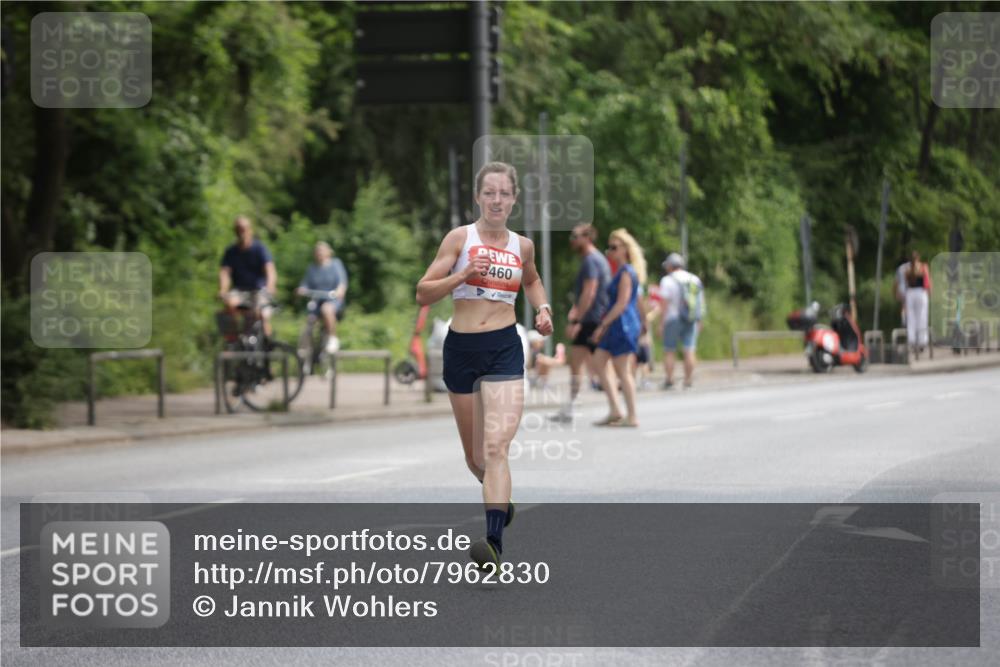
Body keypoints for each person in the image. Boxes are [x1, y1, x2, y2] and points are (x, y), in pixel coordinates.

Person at [416, 161, 553, 570]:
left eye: (503, 193)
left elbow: (530, 280)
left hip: (503, 347)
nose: (496, 200)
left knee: (496, 448)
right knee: (475, 458)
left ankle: (492, 544)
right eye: (488, 192)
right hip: (461, 350)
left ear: (513, 199)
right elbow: (423, 293)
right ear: (478, 197)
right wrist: (460, 277)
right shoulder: (459, 239)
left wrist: (542, 307)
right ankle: (499, 500)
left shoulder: (522, 246)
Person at [551, 223, 612, 422]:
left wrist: (578, 319)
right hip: (595, 317)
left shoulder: (591, 261)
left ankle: (574, 405)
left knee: (579, 362)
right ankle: (612, 406)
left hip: (591, 319)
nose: (572, 240)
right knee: (596, 363)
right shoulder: (596, 259)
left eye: (575, 236)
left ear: (587, 238)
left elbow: (590, 291)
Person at [590, 228, 645, 427]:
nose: (610, 252)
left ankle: (632, 416)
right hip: (617, 324)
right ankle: (615, 409)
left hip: (622, 324)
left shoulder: (627, 272)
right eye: (609, 248)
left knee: (623, 370)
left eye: (614, 247)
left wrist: (601, 326)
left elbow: (622, 303)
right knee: (598, 360)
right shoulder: (621, 272)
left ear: (625, 250)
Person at [219, 215, 277, 337]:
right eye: (238, 229)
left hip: (258, 290)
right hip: (239, 290)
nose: (241, 232)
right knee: (229, 304)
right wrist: (223, 290)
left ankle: (267, 344)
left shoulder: (260, 249)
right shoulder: (231, 251)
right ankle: (234, 340)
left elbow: (270, 270)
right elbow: (225, 272)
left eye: (243, 229)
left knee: (261, 314)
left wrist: (271, 286)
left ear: (250, 230)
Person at [659, 252, 705, 389]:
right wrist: (699, 320)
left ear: (670, 266)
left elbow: (664, 304)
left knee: (669, 350)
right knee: (689, 349)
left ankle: (669, 380)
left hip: (672, 318)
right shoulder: (694, 279)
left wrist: (661, 323)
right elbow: (700, 302)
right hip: (691, 319)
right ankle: (688, 380)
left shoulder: (667, 280)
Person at [297, 241, 348, 353]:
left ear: (328, 252)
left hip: (333, 300)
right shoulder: (312, 268)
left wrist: (340, 290)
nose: (319, 253)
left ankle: (332, 337)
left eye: (321, 251)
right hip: (317, 300)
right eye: (317, 251)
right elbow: (305, 284)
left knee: (326, 309)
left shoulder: (336, 264)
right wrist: (301, 289)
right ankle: (306, 347)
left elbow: (342, 282)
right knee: (309, 320)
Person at [904, 250, 931, 358]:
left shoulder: (907, 270)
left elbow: (906, 283)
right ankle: (922, 341)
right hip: (920, 292)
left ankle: (912, 340)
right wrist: (930, 291)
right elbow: (927, 280)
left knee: (911, 318)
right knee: (922, 317)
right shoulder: (923, 267)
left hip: (910, 293)